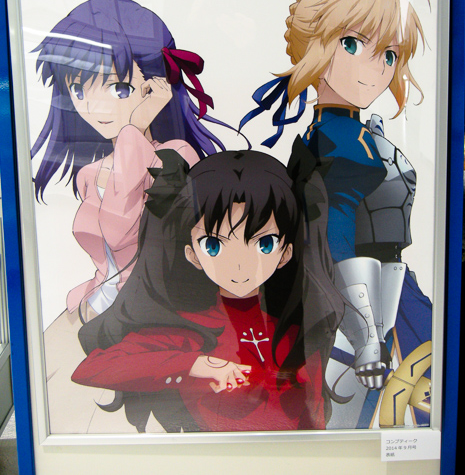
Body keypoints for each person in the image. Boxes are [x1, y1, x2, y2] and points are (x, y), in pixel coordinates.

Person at [240, 0, 432, 427]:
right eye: (352, 44)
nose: (377, 67)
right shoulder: (336, 141)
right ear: (317, 49)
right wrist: (366, 338)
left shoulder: (351, 136)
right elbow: (336, 233)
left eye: (389, 55)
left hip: (381, 296)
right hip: (356, 309)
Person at [31, 0, 229, 432]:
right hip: (96, 310)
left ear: (155, 88)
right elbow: (105, 254)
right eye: (79, 89)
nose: (95, 106)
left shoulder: (177, 157)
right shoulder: (89, 173)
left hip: (157, 319)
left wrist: (135, 131)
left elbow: (124, 232)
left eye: (118, 89)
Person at [72, 147, 345, 433]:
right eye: (213, 245)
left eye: (264, 243)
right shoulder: (187, 329)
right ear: (192, 255)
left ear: (286, 253)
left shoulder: (297, 328)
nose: (239, 263)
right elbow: (93, 368)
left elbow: (315, 416)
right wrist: (195, 364)